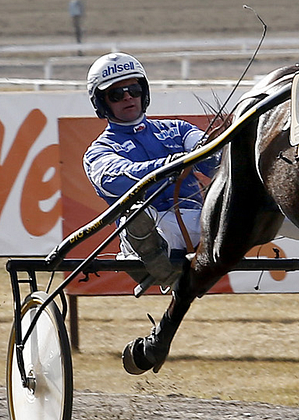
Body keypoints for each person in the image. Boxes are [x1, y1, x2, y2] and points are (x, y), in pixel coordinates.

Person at [83, 52, 219, 290]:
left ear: (143, 93)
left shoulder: (179, 129)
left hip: (204, 224)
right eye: (116, 94)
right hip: (153, 228)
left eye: (133, 90)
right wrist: (170, 165)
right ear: (102, 102)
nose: (128, 98)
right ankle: (153, 258)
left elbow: (216, 158)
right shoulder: (98, 151)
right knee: (136, 217)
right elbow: (115, 178)